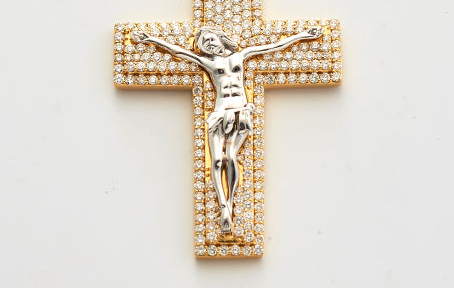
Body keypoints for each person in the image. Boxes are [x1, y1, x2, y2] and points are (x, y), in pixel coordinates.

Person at [133, 24, 322, 233]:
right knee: (216, 161)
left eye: (211, 39)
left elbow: (273, 46)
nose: (208, 44)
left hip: (241, 112)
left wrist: (303, 35)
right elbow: (178, 52)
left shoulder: (241, 56)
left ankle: (229, 205)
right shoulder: (209, 63)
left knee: (231, 156)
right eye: (204, 43)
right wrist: (149, 39)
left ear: (221, 38)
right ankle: (223, 206)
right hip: (219, 114)